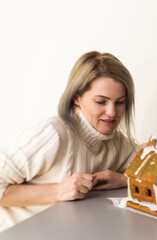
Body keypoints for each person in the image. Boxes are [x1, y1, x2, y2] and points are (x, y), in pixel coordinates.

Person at [0, 51, 139, 232]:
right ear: (76, 97)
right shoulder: (52, 135)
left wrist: (124, 179)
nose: (112, 112)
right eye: (101, 102)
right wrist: (58, 191)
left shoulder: (116, 142)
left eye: (120, 102)